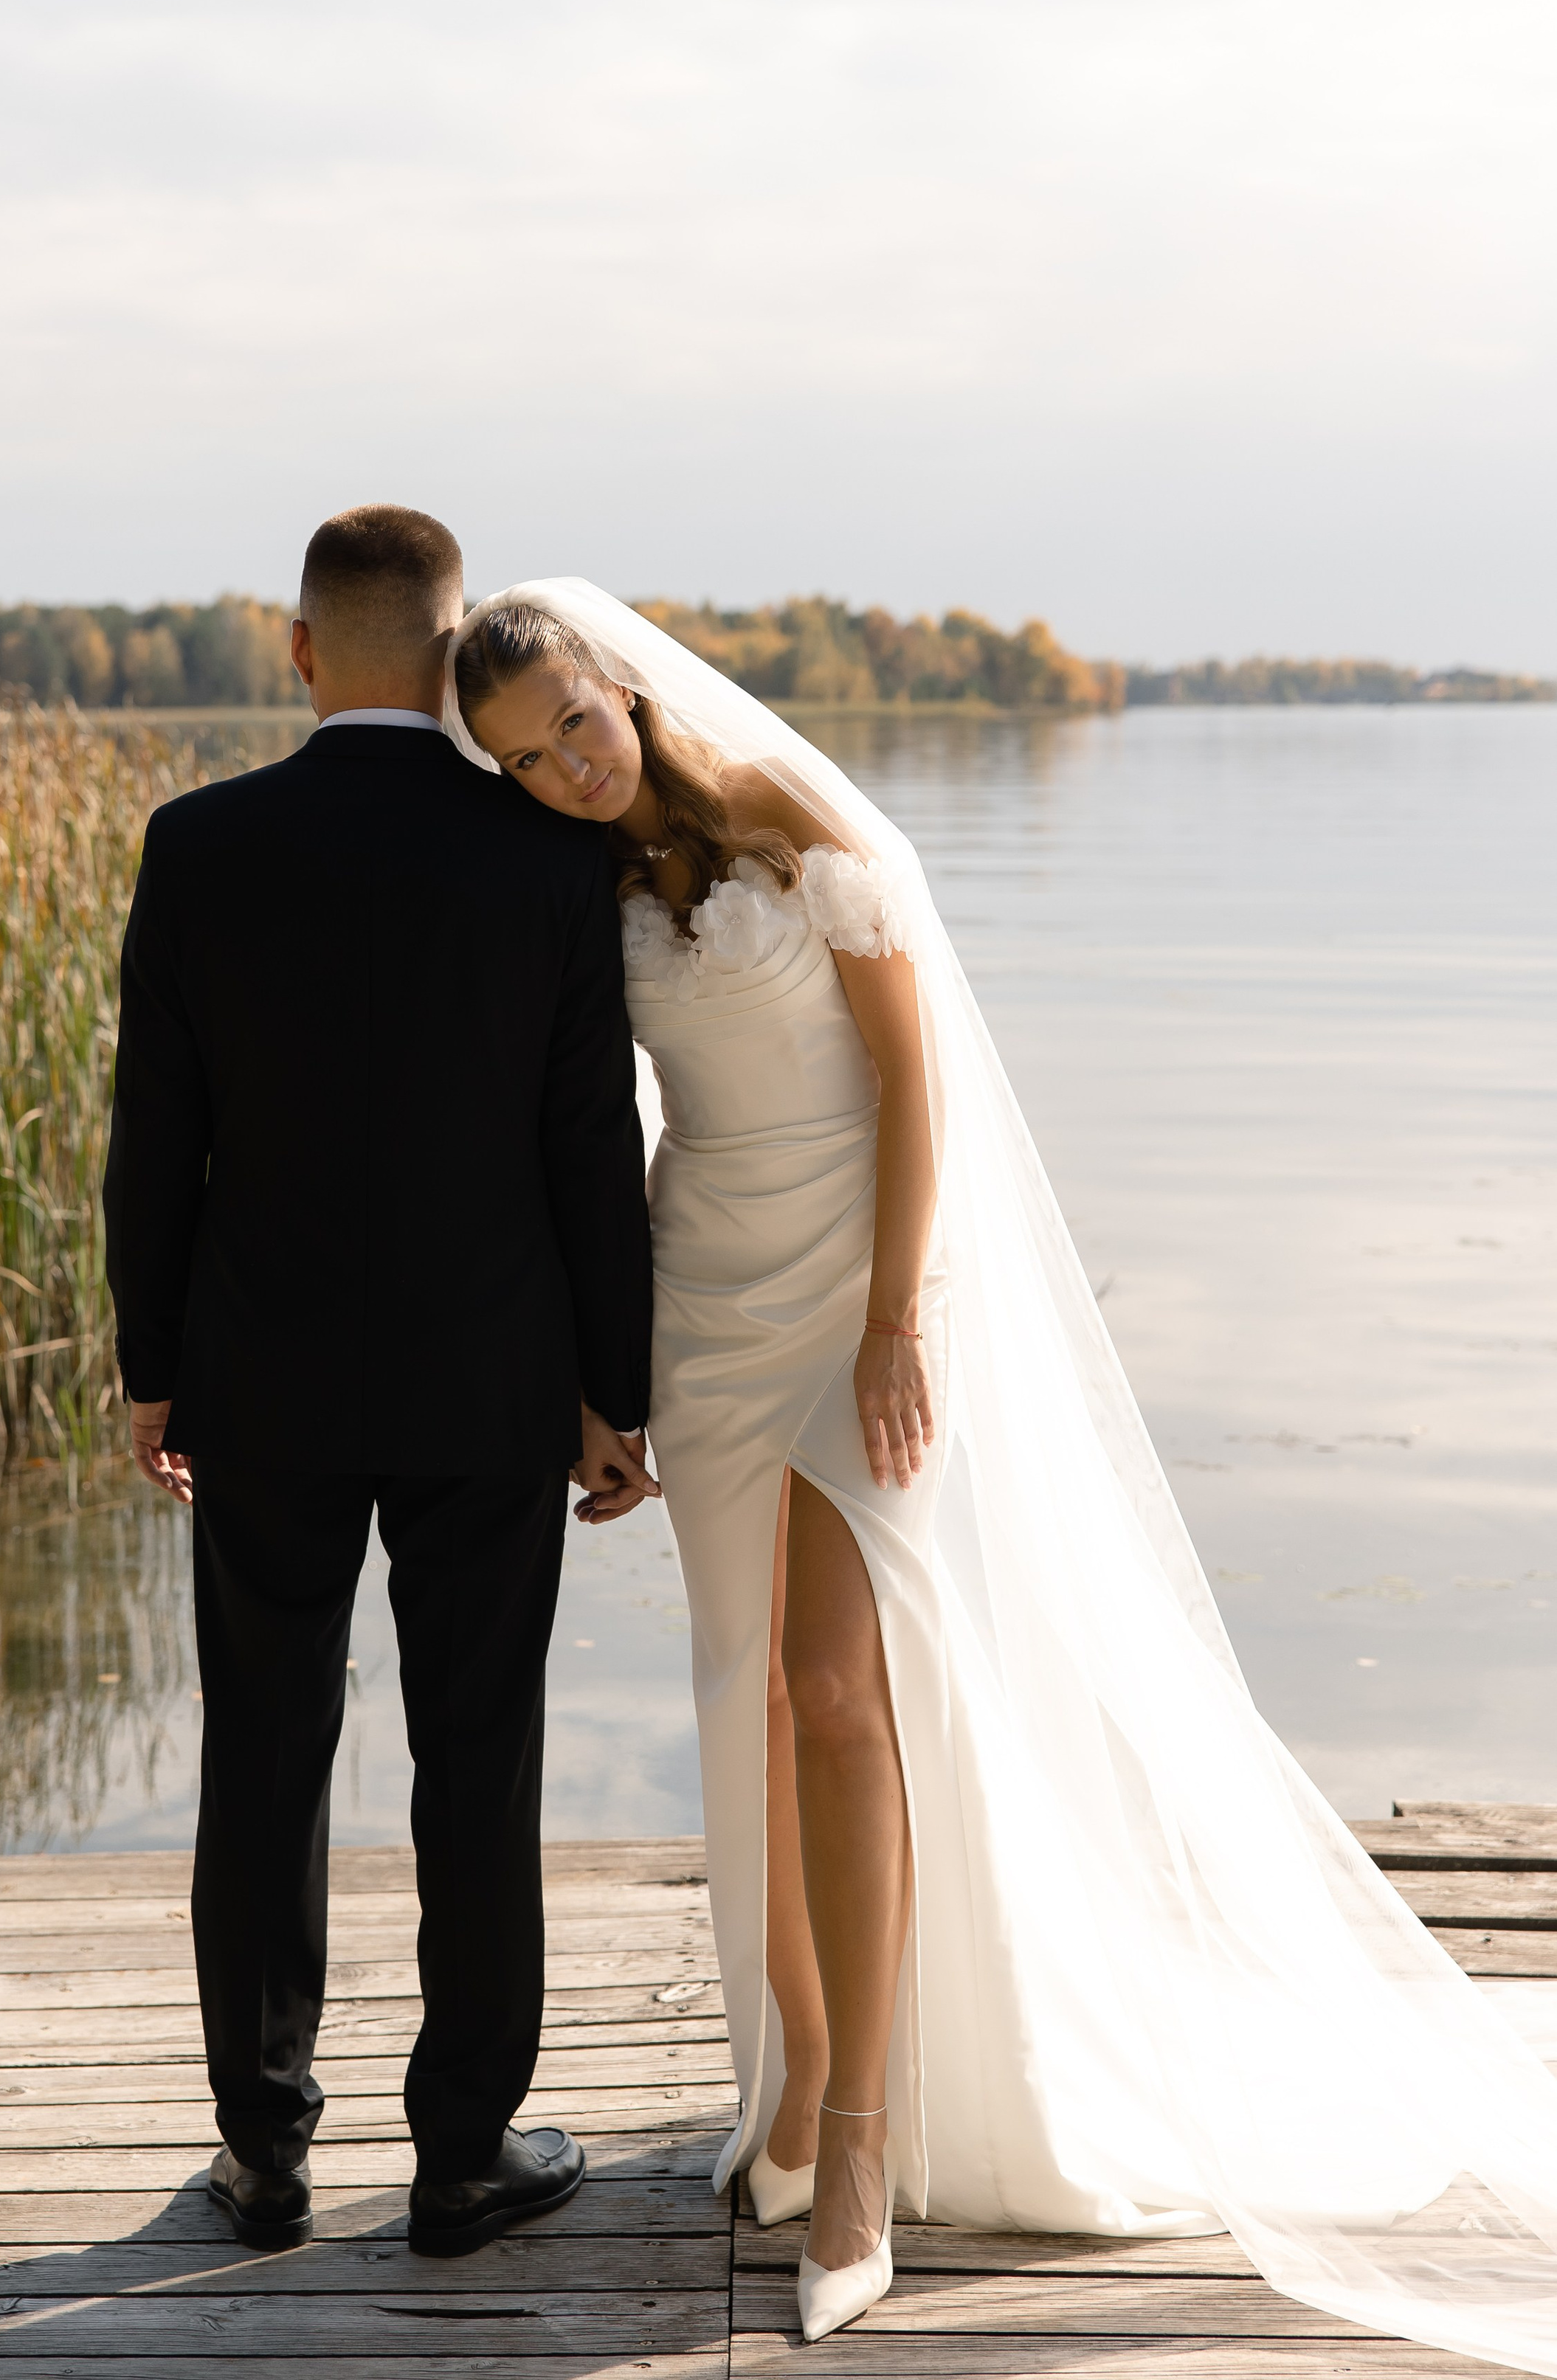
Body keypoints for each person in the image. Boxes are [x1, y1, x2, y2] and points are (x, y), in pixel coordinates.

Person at [452, 578, 1557, 2367]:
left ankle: (866, 2163)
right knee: (745, 1699)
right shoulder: (573, 885)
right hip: (708, 1304)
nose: (565, 769)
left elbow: (917, 1082)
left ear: (625, 682)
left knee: (834, 1691)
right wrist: (601, 1377)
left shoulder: (809, 831)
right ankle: (799, 2084)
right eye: (520, 757)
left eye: (576, 722)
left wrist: (895, 1324)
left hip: (867, 1293)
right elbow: (577, 1122)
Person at [102, 511, 654, 2261]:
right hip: (491, 1377)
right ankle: (460, 2154)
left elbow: (153, 1143)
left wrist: (150, 1366)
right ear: (444, 659)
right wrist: (612, 1389)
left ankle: (262, 2155)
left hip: (257, 1377)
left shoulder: (195, 847)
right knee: (475, 1759)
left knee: (262, 1751)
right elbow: (589, 1155)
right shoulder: (546, 865)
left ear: (296, 650)